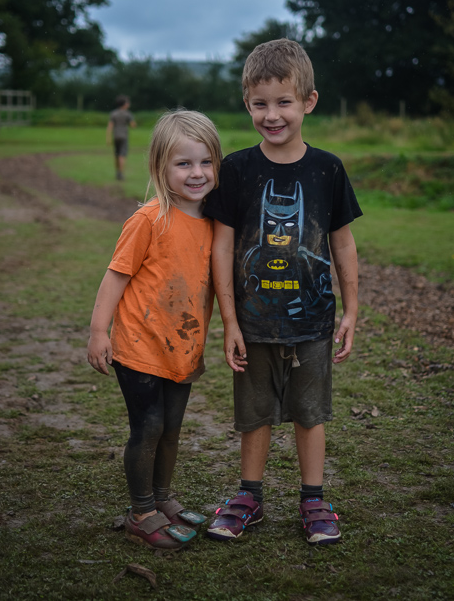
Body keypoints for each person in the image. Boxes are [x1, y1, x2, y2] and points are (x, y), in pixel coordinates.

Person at [203, 39, 362, 545]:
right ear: (247, 104)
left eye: (283, 102)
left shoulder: (328, 169)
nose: (272, 115)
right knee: (254, 415)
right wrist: (229, 321)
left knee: (310, 413)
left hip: (313, 321)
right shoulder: (237, 169)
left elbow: (343, 243)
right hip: (253, 322)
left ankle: (314, 500)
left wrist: (352, 310)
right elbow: (222, 248)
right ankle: (249, 497)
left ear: (308, 102)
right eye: (260, 104)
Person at [87, 109, 222, 550]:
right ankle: (141, 510)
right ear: (160, 167)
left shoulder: (217, 224)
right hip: (139, 346)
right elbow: (116, 276)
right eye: (183, 164)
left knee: (171, 428)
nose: (197, 173)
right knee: (147, 428)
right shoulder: (149, 219)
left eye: (205, 162)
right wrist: (98, 332)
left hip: (182, 350)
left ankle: (163, 499)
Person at [106, 94, 137, 180]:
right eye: (127, 102)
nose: (129, 103)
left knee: (116, 154)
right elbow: (133, 125)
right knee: (122, 155)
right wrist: (133, 123)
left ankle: (117, 172)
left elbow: (110, 126)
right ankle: (120, 173)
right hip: (124, 136)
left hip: (116, 136)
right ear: (125, 104)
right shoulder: (128, 114)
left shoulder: (113, 113)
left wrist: (108, 138)